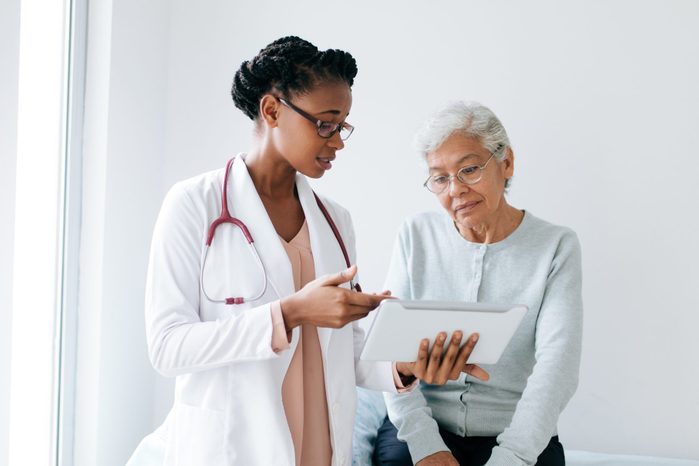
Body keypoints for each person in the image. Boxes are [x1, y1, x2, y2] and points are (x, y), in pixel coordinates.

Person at [126, 37, 486, 466]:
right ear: (272, 110)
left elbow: (338, 349)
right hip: (233, 447)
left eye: (343, 125)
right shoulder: (193, 205)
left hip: (318, 446)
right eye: (325, 124)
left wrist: (403, 366)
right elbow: (168, 347)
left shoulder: (335, 220)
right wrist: (291, 313)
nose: (337, 142)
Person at [375, 102, 583, 466]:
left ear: (507, 164)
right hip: (423, 426)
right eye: (440, 178)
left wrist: (513, 455)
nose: (455, 189)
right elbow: (390, 352)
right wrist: (427, 445)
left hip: (517, 434)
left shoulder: (556, 246)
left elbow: (558, 366)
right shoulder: (415, 235)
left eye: (469, 169)